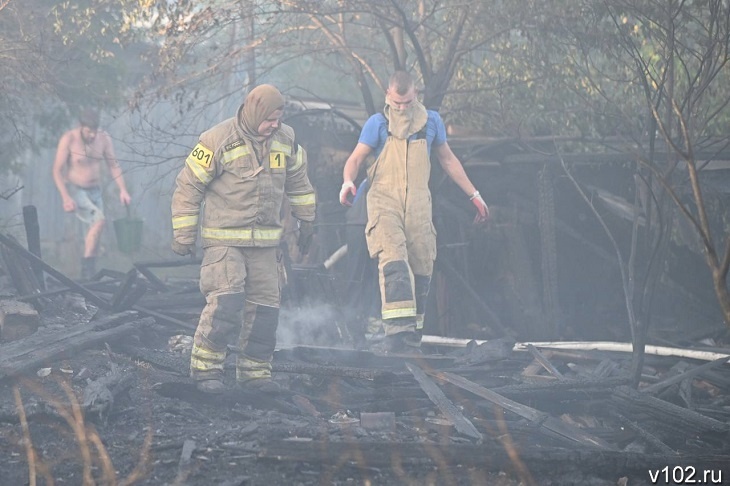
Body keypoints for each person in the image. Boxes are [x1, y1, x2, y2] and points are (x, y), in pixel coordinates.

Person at [171, 84, 316, 394]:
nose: (275, 125)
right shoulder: (216, 140)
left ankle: (255, 374)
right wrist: (184, 234)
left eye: (279, 119)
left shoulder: (286, 140)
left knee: (266, 309)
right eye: (269, 119)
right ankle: (206, 370)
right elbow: (188, 187)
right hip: (224, 242)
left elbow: (300, 183)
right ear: (254, 113)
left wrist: (307, 222)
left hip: (265, 245)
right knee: (226, 302)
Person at [339, 71, 489, 352]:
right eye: (397, 103)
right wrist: (348, 181)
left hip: (419, 206)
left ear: (415, 94)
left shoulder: (431, 122)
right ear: (388, 95)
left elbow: (447, 159)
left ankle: (411, 338)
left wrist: (474, 194)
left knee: (421, 266)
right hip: (384, 203)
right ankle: (397, 334)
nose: (402, 108)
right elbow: (355, 159)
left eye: (407, 102)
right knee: (394, 261)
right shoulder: (377, 124)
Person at [52, 108, 132, 280]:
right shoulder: (69, 139)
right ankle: (87, 269)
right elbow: (57, 171)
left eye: (95, 131)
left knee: (96, 233)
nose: (92, 135)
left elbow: (113, 165)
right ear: (81, 127)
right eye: (89, 131)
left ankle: (90, 274)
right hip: (75, 190)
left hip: (95, 190)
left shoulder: (103, 138)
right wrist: (65, 197)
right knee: (99, 221)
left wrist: (123, 190)